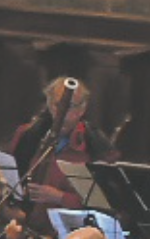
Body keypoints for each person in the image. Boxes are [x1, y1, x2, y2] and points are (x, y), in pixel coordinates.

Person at [9, 76, 117, 213]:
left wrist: (60, 197)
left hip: (71, 225)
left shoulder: (96, 146)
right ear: (49, 105)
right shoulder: (28, 135)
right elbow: (9, 181)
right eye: (57, 105)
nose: (62, 112)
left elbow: (106, 203)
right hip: (26, 221)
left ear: (82, 109)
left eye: (69, 106)